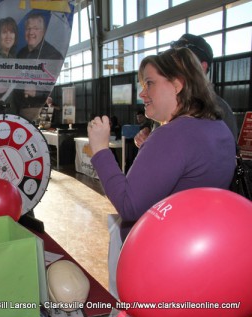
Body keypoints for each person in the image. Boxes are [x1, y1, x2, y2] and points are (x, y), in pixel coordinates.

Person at [88, 47, 236, 242]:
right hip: (199, 242)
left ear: (177, 84)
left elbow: (128, 205)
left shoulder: (172, 135)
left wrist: (100, 150)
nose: (142, 93)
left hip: (159, 250)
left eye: (150, 83)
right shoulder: (219, 127)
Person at [134, 33, 238, 148]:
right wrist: (149, 137)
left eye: (184, 62)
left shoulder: (217, 109)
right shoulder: (172, 106)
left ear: (202, 67)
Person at [14, 13, 64, 122]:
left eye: (36, 28)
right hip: (16, 110)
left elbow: (49, 85)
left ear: (44, 31)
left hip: (34, 111)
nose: (31, 32)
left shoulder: (53, 56)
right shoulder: (20, 54)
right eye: (28, 28)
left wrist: (36, 91)